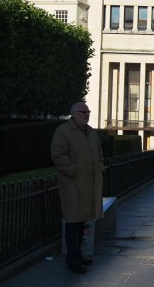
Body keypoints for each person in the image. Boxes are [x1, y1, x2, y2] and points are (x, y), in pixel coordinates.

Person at [51, 102, 104, 274]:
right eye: (83, 112)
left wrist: (99, 166)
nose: (86, 114)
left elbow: (99, 152)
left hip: (88, 184)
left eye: (88, 112)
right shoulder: (63, 131)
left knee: (82, 223)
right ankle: (73, 260)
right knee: (73, 223)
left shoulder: (90, 132)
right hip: (72, 185)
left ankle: (77, 256)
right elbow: (58, 154)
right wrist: (73, 171)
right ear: (73, 113)